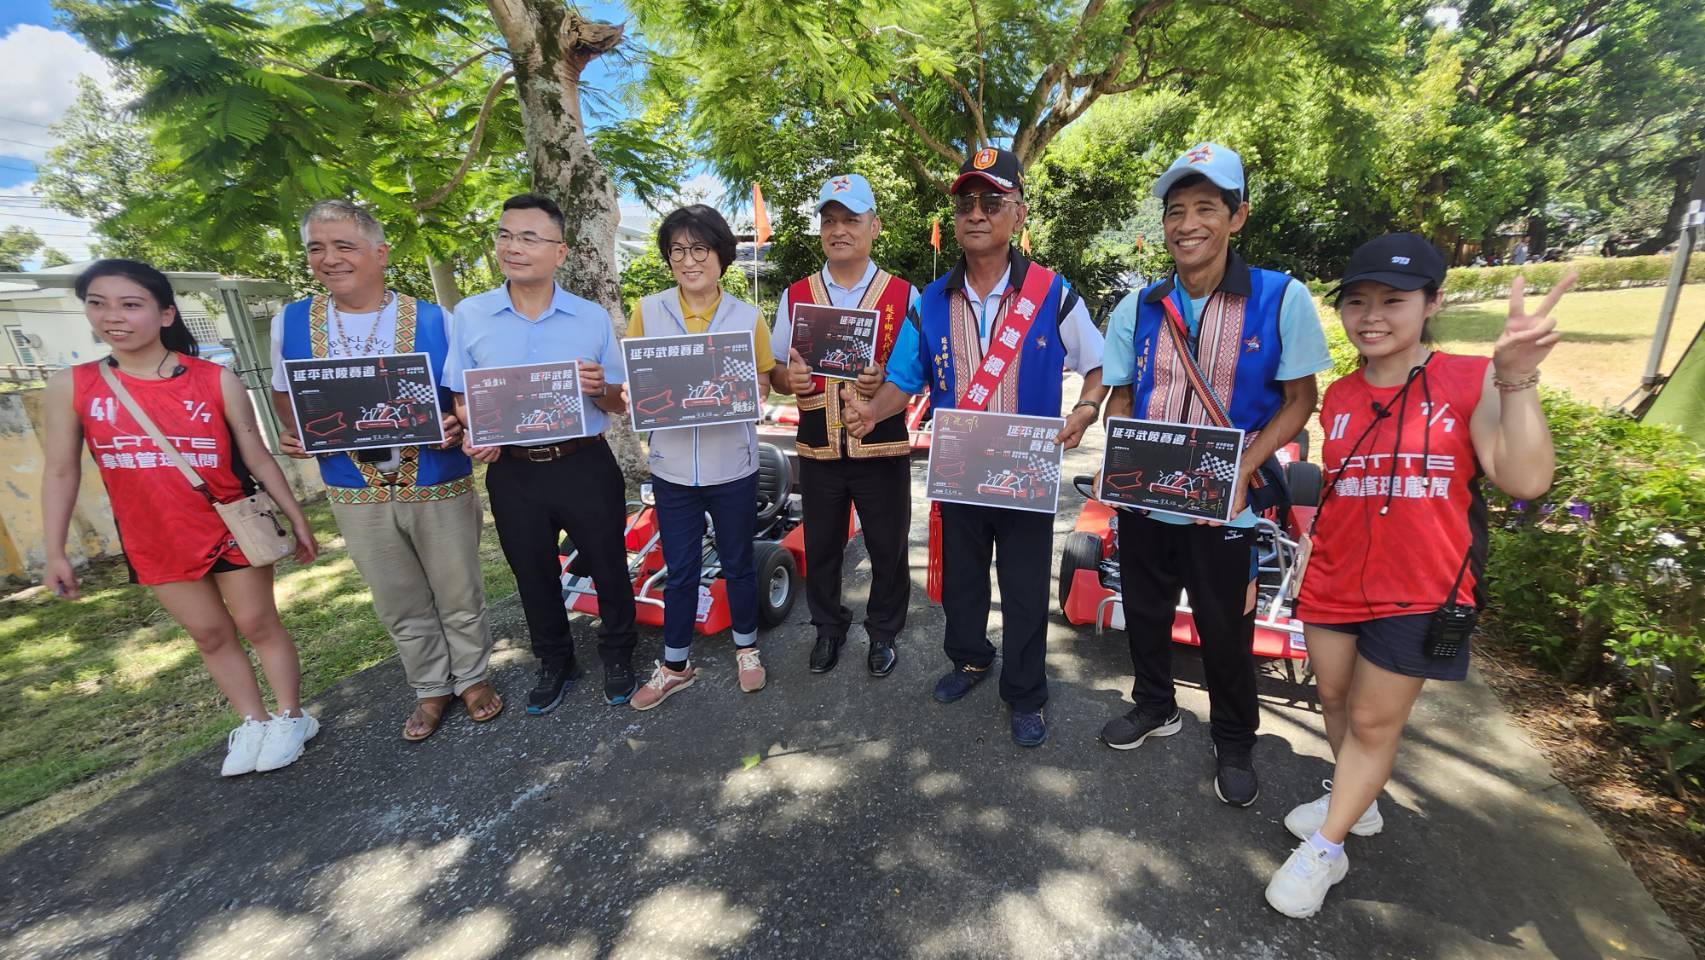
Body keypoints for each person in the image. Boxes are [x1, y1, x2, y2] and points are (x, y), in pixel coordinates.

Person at [1264, 234, 1574, 918]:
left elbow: (1524, 478)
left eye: (1393, 301)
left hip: (1421, 589)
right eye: (1356, 301)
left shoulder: (1474, 379)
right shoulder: (1339, 397)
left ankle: (1326, 844)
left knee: (1375, 722)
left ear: (1431, 302)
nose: (1371, 316)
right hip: (1334, 580)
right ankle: (1357, 802)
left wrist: (1518, 379)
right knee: (1337, 704)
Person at [844, 147, 1107, 747]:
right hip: (960, 471)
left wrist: (1087, 409)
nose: (977, 214)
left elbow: (1099, 366)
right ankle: (968, 659)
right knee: (963, 582)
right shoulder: (932, 300)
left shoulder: (1052, 293)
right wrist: (868, 413)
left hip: (1024, 473)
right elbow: (905, 380)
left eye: (993, 202)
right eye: (966, 203)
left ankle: (1025, 690)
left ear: (1018, 214)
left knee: (1020, 587)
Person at [1096, 142, 1332, 806]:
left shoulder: (1280, 297)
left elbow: (1299, 401)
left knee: (1223, 627)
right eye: (1176, 210)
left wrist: (1242, 470)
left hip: (1228, 508)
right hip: (1145, 500)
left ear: (1237, 217)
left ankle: (1233, 738)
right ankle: (1154, 706)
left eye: (1206, 207)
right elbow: (1120, 390)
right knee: (1143, 613)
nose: (1187, 224)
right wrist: (1120, 444)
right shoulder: (1138, 305)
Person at [43, 259, 321, 776]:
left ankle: (290, 715)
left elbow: (257, 456)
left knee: (258, 623)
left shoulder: (215, 379)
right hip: (153, 536)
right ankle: (253, 720)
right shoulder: (73, 387)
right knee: (209, 635)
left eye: (131, 304)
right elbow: (60, 473)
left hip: (230, 524)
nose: (113, 316)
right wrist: (56, 550)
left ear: (166, 313)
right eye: (97, 303)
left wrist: (296, 517)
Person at [272, 200, 497, 740]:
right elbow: (286, 395)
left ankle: (473, 678)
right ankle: (429, 687)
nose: (329, 259)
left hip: (436, 477)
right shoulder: (292, 321)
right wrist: (302, 431)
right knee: (396, 597)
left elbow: (463, 399)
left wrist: (457, 425)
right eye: (316, 248)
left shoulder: (435, 319)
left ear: (380, 253)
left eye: (344, 246)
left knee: (459, 589)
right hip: (354, 487)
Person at [445, 193, 641, 711]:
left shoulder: (591, 317)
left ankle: (619, 653)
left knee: (608, 565)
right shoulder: (470, 315)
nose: (513, 247)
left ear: (560, 251)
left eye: (530, 237)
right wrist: (474, 429)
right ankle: (556, 661)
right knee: (532, 572)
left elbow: (619, 402)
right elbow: (462, 398)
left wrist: (599, 387)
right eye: (505, 235)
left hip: (583, 463)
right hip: (513, 473)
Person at [625, 204, 793, 710]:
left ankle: (747, 648)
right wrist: (637, 395)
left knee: (739, 564)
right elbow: (636, 382)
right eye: (677, 250)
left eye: (700, 248)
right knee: (680, 569)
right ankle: (675, 664)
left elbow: (764, 380)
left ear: (722, 256)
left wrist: (751, 388)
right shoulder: (648, 311)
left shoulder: (747, 316)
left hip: (733, 466)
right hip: (672, 468)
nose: (688, 259)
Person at [770, 174, 920, 677]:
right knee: (823, 547)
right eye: (829, 220)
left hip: (881, 447)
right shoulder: (796, 296)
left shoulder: (903, 295)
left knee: (888, 546)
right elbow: (774, 372)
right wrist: (786, 378)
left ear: (874, 227)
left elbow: (914, 374)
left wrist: (885, 379)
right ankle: (828, 629)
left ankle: (883, 632)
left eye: (851, 220)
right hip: (817, 450)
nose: (839, 230)